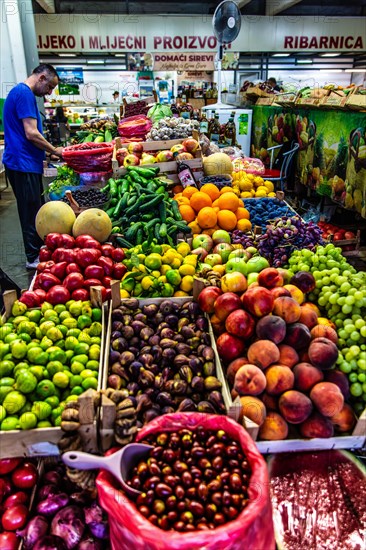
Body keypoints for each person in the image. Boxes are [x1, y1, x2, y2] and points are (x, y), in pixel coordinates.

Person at [3, 63, 63, 270]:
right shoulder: (24, 94)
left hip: (27, 162)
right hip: (22, 163)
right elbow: (31, 133)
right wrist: (55, 150)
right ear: (42, 78)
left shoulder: (21, 94)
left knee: (35, 209)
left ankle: (37, 252)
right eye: (49, 87)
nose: (49, 93)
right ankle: (32, 258)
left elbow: (25, 135)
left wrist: (44, 153)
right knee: (30, 211)